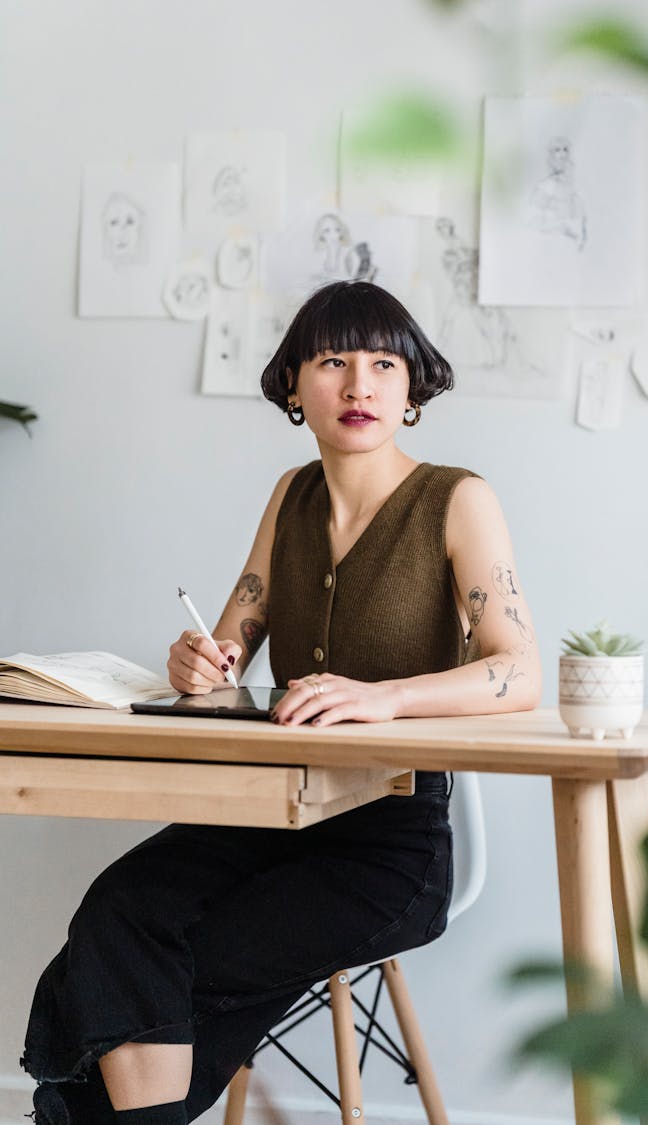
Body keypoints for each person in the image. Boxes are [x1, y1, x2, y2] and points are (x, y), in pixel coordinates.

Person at [23, 280, 541, 1125]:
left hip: (389, 844)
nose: (359, 385)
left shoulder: (457, 498)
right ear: (294, 386)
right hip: (262, 813)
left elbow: (520, 672)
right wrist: (198, 662)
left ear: (413, 388)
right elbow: (229, 651)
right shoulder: (290, 496)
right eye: (332, 361)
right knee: (120, 913)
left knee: (163, 957)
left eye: (383, 363)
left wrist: (382, 700)